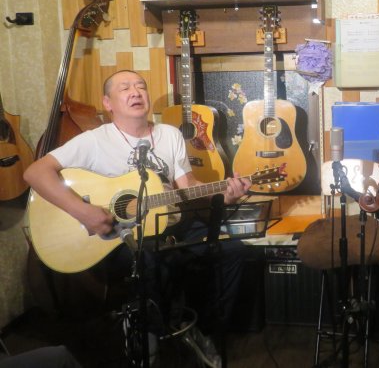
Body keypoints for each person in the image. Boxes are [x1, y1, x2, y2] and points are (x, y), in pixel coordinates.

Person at [24, 69, 251, 365]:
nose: (135, 92)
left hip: (171, 223)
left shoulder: (169, 135)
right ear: (108, 103)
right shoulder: (93, 140)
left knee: (232, 251)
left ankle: (203, 331)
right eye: (125, 88)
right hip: (117, 235)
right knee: (150, 260)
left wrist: (225, 194)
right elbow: (35, 172)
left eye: (141, 86)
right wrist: (84, 211)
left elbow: (188, 186)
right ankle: (151, 336)